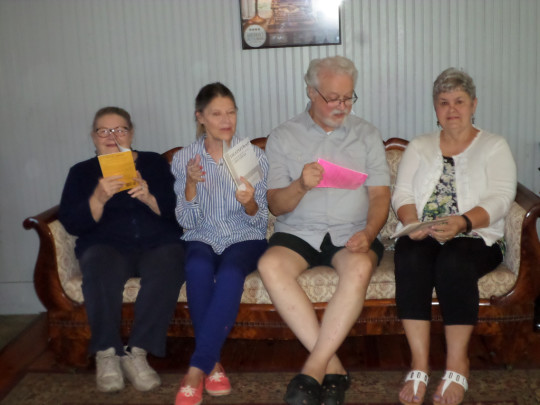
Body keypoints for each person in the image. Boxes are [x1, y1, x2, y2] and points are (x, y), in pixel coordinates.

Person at [257, 56, 391, 405]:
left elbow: (379, 195)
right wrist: (300, 184)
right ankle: (334, 368)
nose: (341, 106)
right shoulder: (284, 136)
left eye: (348, 98)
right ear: (310, 92)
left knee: (360, 267)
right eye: (333, 97)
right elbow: (275, 205)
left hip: (352, 231)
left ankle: (313, 370)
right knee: (270, 265)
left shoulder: (366, 135)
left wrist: (370, 230)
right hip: (299, 229)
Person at [392, 68, 517, 405]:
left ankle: (457, 363)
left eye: (459, 101)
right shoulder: (419, 146)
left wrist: (463, 222)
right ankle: (419, 364)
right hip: (425, 233)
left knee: (454, 261)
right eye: (444, 102)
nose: (452, 109)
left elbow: (502, 197)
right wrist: (413, 224)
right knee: (408, 254)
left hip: (476, 236)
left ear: (473, 104)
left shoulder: (493, 145)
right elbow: (401, 194)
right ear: (435, 108)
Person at [58, 107, 185, 392]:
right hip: (107, 244)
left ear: (132, 133)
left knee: (172, 259)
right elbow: (71, 221)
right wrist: (98, 198)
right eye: (104, 131)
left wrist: (150, 197)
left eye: (120, 130)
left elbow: (178, 212)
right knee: (98, 265)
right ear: (93, 137)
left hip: (156, 242)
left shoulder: (153, 163)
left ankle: (137, 352)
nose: (112, 136)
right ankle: (107, 353)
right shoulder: (81, 172)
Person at [171, 82, 269, 405]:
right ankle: (212, 363)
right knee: (197, 266)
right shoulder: (185, 158)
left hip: (244, 236)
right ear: (200, 117)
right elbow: (187, 222)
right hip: (202, 234)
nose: (226, 120)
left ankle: (196, 371)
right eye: (216, 113)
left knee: (229, 274)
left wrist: (249, 202)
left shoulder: (252, 156)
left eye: (231, 112)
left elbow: (260, 219)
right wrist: (190, 185)